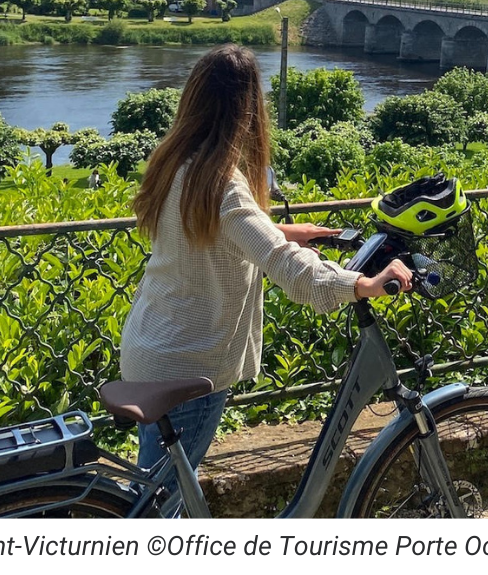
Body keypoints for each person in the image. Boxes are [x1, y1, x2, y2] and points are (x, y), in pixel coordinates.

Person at [117, 44, 412, 478]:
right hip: (189, 365)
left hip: (151, 347)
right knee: (163, 505)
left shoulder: (174, 162)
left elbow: (203, 236)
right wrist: (361, 284)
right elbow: (284, 265)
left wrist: (282, 231)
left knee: (156, 489)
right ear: (247, 109)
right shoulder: (222, 183)